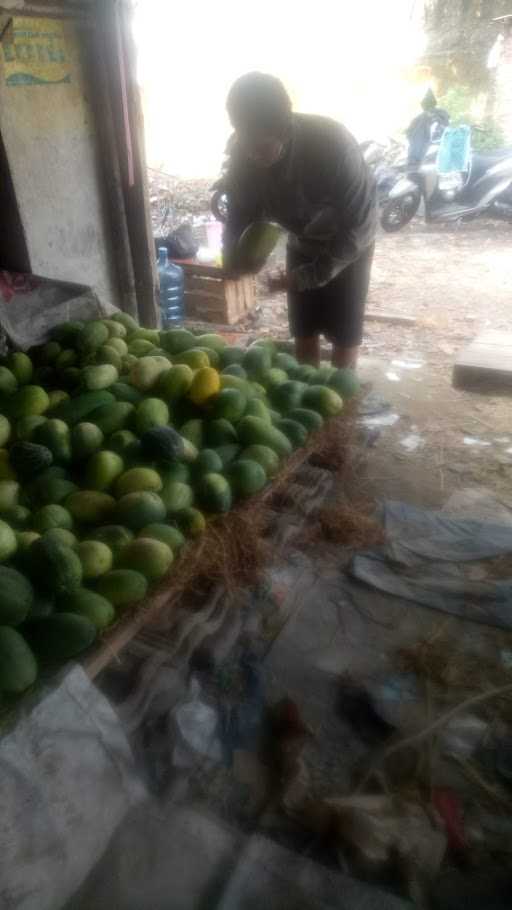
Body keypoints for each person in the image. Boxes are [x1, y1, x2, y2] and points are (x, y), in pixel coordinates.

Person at [222, 72, 376, 369]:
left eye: (262, 148)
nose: (253, 155)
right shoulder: (243, 152)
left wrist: (310, 275)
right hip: (302, 238)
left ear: (286, 130)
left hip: (348, 243)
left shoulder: (334, 147)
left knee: (344, 333)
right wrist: (234, 258)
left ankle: (340, 396)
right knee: (304, 328)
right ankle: (308, 391)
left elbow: (359, 228)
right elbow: (239, 213)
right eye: (246, 143)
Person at [406, 88, 449, 167]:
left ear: (423, 105)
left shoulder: (418, 118)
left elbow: (409, 134)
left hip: (420, 152)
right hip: (441, 145)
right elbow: (446, 125)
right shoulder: (442, 113)